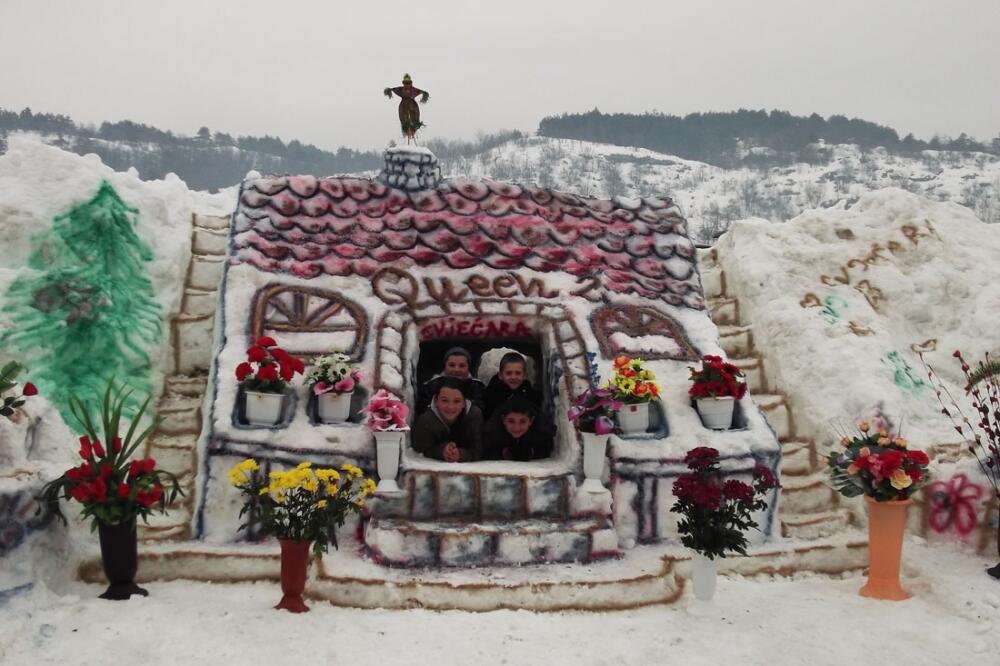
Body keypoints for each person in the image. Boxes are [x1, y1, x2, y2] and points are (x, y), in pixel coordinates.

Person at [411, 377, 483, 463]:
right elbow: (420, 450)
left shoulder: (474, 416)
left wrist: (460, 455)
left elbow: (480, 449)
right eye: (445, 400)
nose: (450, 407)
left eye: (457, 401)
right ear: (436, 401)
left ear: (464, 403)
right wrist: (442, 451)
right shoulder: (426, 420)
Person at [483, 397, 553, 462]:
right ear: (503, 419)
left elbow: (546, 447)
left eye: (523, 422)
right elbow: (488, 450)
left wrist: (532, 453)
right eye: (511, 421)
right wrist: (500, 454)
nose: (517, 428)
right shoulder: (493, 430)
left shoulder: (541, 430)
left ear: (531, 421)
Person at [417, 347, 486, 413]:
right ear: (445, 366)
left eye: (462, 366)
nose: (456, 370)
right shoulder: (432, 385)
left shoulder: (477, 387)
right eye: (452, 365)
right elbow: (422, 408)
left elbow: (481, 409)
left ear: (468, 367)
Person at [483, 352, 542, 420]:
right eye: (508, 373)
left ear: (525, 375)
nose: (513, 377)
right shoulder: (491, 396)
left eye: (518, 373)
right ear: (500, 375)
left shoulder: (530, 396)